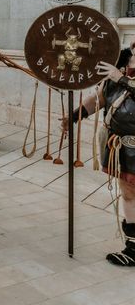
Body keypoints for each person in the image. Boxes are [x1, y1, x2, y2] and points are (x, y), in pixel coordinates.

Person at [63, 59, 135, 267]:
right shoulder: (117, 77)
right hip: (122, 146)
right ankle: (133, 249)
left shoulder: (119, 77)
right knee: (129, 193)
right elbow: (97, 100)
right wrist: (73, 117)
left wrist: (120, 79)